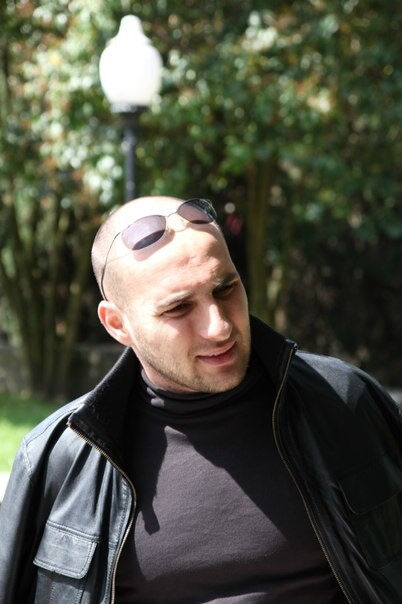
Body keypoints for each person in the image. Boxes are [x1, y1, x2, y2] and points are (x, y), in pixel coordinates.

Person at [0, 195, 401, 604]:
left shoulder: (343, 401)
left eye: (225, 289)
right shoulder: (60, 457)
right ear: (118, 324)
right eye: (178, 308)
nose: (219, 326)